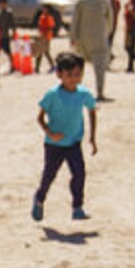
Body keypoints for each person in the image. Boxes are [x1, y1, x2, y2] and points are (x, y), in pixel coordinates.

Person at [32, 52, 98, 221]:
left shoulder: (83, 94)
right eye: (69, 75)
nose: (74, 79)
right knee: (49, 174)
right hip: (54, 145)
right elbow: (40, 118)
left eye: (78, 74)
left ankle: (77, 207)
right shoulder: (52, 94)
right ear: (59, 74)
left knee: (79, 174)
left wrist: (92, 137)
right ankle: (39, 198)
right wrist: (50, 134)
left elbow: (91, 111)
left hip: (74, 143)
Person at [70, 0, 116, 100]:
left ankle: (76, 91)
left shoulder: (81, 1)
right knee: (100, 68)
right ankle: (100, 92)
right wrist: (107, 32)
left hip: (83, 39)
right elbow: (110, 19)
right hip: (100, 38)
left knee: (79, 66)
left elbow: (75, 21)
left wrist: (73, 37)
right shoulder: (103, 0)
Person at [32, 4, 56, 73]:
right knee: (40, 52)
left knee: (45, 52)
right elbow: (40, 26)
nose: (43, 10)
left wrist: (44, 33)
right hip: (42, 36)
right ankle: (37, 68)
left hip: (46, 37)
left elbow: (51, 27)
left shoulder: (49, 18)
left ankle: (52, 66)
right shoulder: (42, 17)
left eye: (45, 9)